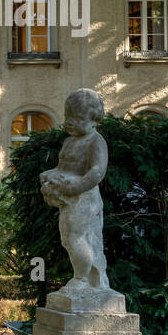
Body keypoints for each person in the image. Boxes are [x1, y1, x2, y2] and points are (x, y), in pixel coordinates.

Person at [39, 88, 109, 291]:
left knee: (75, 237)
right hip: (68, 198)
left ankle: (83, 279)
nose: (70, 122)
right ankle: (84, 277)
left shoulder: (96, 141)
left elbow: (97, 172)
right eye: (68, 117)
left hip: (84, 198)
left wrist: (75, 186)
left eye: (77, 118)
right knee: (67, 239)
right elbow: (63, 168)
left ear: (94, 120)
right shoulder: (69, 142)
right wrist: (49, 175)